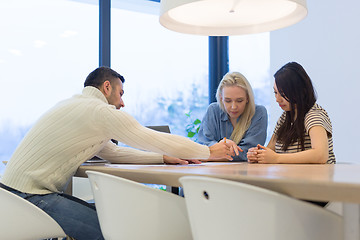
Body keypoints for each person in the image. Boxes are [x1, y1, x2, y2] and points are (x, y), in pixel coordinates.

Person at [0, 66, 238, 240]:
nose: (122, 103)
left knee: (111, 222)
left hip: (10, 197)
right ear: (107, 87)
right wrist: (208, 151)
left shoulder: (73, 106)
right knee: (113, 230)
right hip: (29, 198)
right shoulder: (98, 111)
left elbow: (112, 153)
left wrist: (162, 158)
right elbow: (151, 138)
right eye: (121, 93)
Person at [247, 62, 336, 164]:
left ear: (299, 91)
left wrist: (277, 158)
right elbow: (270, 150)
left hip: (312, 179)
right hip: (290, 178)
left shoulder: (313, 115)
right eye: (275, 93)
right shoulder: (285, 117)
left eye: (283, 94)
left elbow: (320, 155)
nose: (277, 99)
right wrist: (258, 155)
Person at [197, 71, 268, 161]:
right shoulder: (213, 110)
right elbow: (202, 146)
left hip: (246, 172)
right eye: (228, 100)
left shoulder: (258, 113)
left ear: (247, 98)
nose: (233, 107)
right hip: (213, 170)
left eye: (239, 100)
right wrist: (214, 151)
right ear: (221, 98)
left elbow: (250, 152)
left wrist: (217, 151)